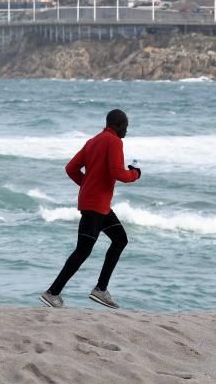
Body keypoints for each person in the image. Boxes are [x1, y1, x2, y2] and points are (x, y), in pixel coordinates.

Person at [40, 109, 141, 309]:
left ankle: (101, 289)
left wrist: (87, 184)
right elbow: (117, 172)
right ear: (118, 124)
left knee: (120, 240)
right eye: (126, 127)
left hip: (98, 205)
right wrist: (135, 173)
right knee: (82, 251)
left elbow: (71, 168)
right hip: (95, 206)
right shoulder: (114, 141)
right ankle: (52, 293)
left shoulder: (92, 141)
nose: (127, 131)